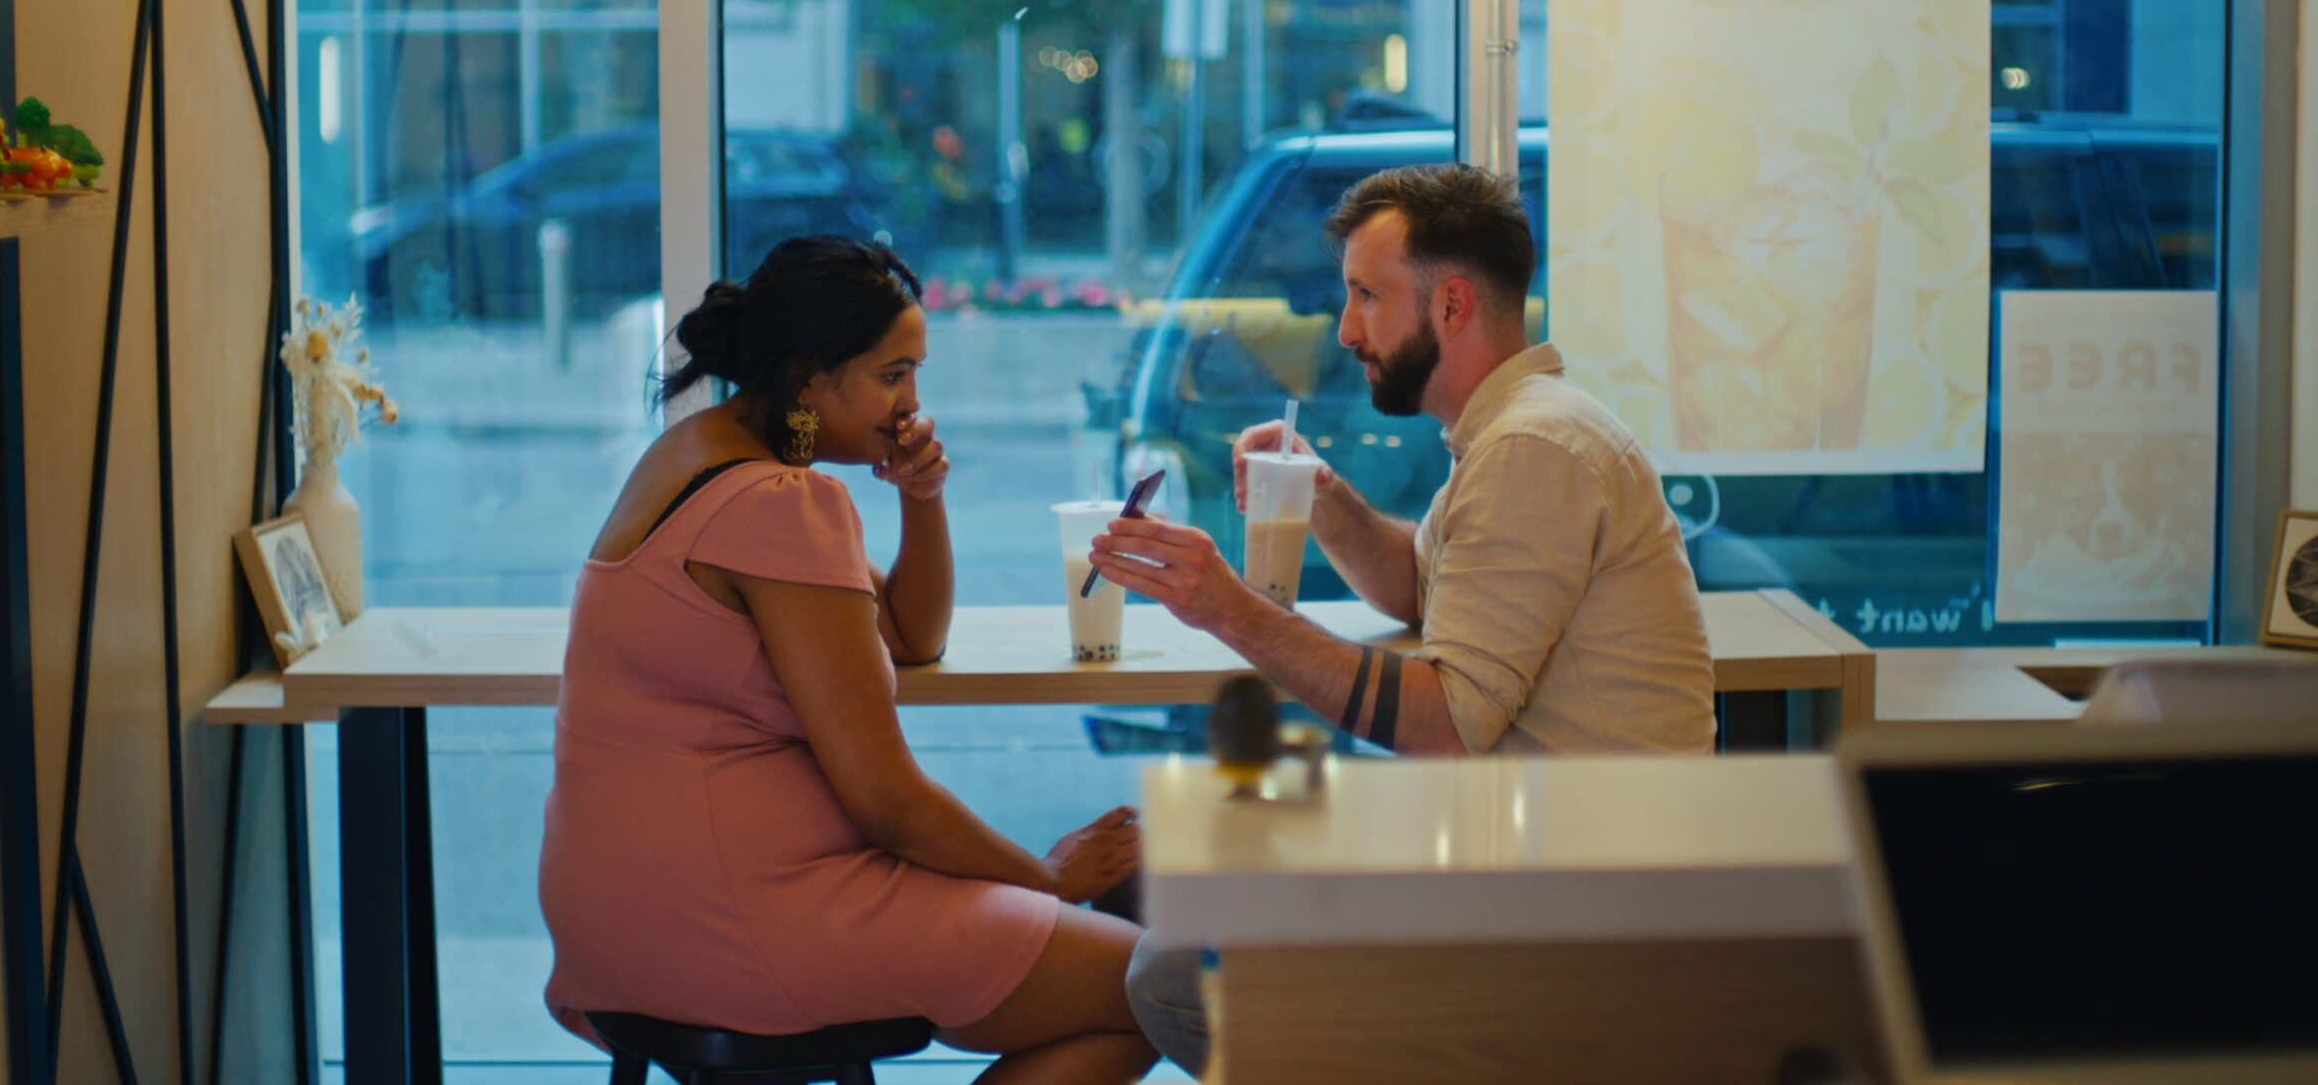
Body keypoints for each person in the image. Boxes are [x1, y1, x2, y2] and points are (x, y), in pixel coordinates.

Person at [1087, 166, 1715, 1075]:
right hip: (1533, 850)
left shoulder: (1534, 448)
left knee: (1174, 970)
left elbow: (1447, 725)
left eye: (1365, 298)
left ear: (1452, 304)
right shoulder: (1513, 433)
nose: (1345, 331)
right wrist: (1325, 496)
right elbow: (1423, 592)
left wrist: (1227, 608)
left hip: (1575, 888)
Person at [540, 236, 1160, 1085]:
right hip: (741, 917)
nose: (911, 406)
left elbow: (909, 635)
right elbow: (887, 801)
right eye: (892, 374)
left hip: (621, 914)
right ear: (808, 380)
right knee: (1165, 990)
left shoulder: (697, 457)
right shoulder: (780, 504)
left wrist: (920, 496)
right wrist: (1046, 877)